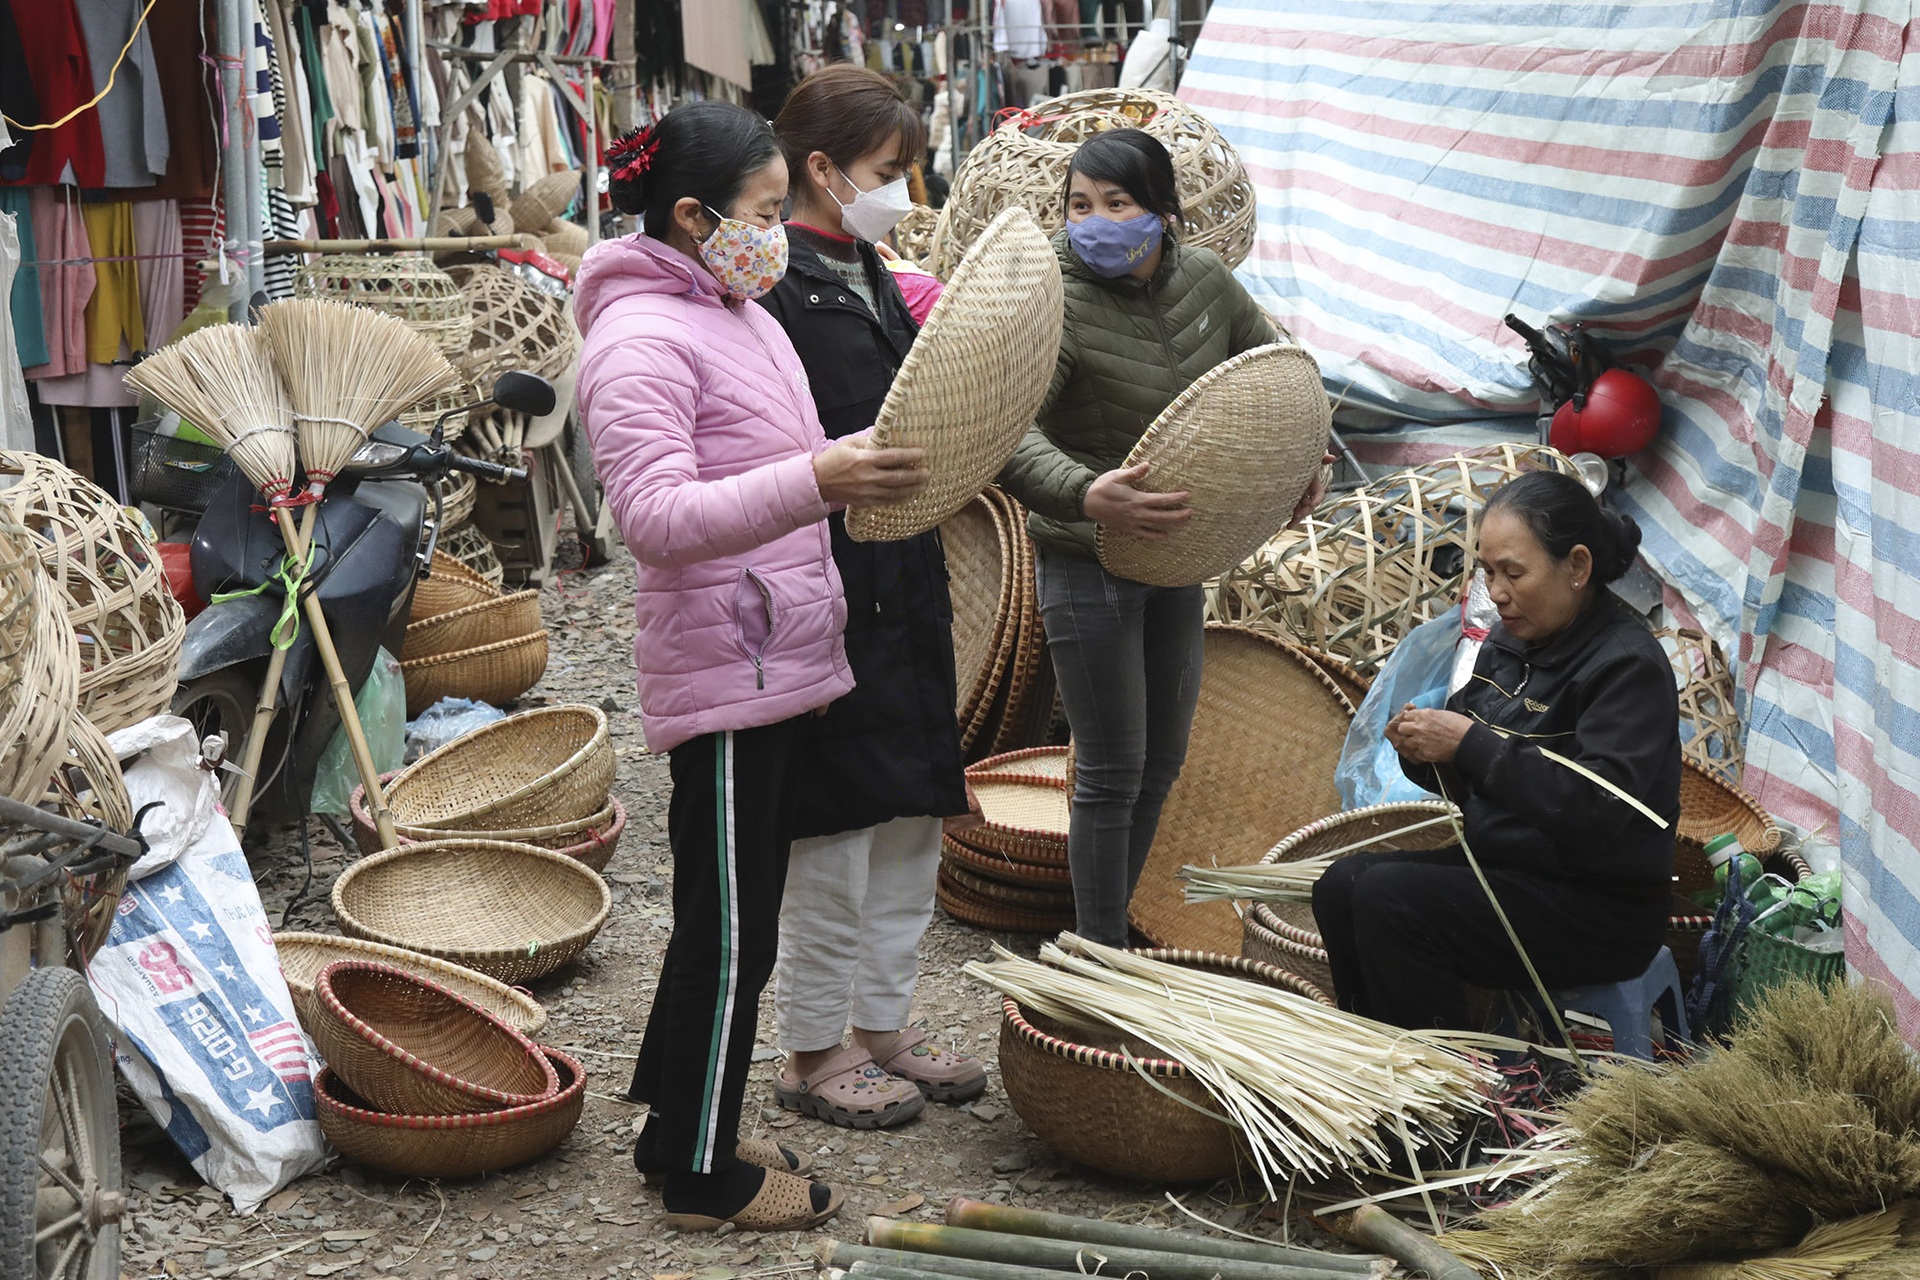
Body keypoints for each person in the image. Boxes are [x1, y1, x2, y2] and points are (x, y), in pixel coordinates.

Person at [573, 101, 928, 1233]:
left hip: (773, 652)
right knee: (731, 929)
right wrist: (822, 478)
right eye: (767, 212)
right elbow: (656, 517)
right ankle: (701, 1178)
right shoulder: (638, 340)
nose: (779, 233)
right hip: (726, 668)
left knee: (728, 914)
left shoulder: (733, 306)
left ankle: (675, 1124)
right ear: (693, 215)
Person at [996, 128, 1327, 946]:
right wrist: (1085, 492)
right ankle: (1099, 950)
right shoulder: (1057, 297)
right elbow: (1012, 431)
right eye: (1080, 205)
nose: (1096, 221)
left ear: (1164, 213)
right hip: (1089, 557)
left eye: (1117, 204)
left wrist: (1301, 458)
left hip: (1180, 554)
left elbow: (1278, 371)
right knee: (1109, 771)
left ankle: (1109, 925)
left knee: (1161, 762)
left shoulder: (1209, 282)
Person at [757, 64, 986, 1131]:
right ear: (821, 170)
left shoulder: (878, 275)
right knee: (835, 831)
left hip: (908, 581)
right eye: (888, 171)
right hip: (827, 588)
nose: (902, 189)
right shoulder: (768, 290)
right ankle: (811, 1049)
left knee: (909, 820)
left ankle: (885, 1025)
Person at [1311, 471, 1681, 1031]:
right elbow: (1477, 777)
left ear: (1577, 567)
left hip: (1596, 908)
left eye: (1514, 572)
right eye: (1487, 571)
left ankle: (1447, 1092)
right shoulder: (1514, 638)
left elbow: (1597, 808)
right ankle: (1374, 1064)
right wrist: (1423, 751)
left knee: (1390, 899)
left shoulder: (1626, 666)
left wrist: (1467, 742)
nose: (1497, 593)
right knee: (1341, 886)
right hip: (1508, 871)